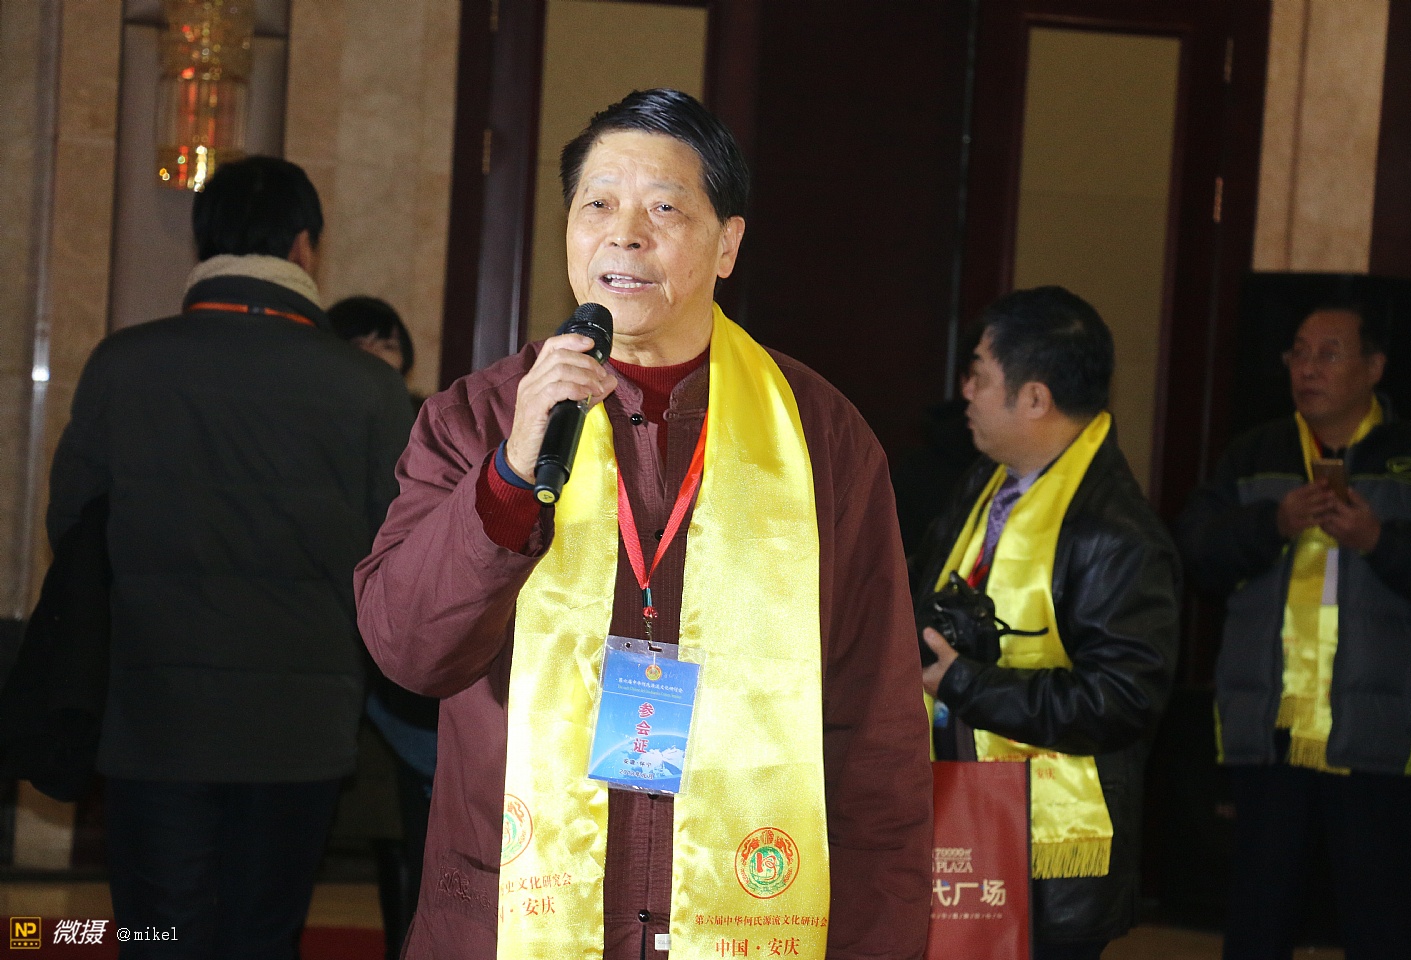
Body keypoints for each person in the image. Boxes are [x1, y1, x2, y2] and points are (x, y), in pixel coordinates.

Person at [354, 88, 932, 960]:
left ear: (727, 244)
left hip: (753, 913)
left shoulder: (820, 436)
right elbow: (409, 651)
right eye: (597, 204)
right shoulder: (478, 419)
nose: (623, 235)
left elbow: (875, 725)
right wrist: (509, 477)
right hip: (513, 915)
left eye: (664, 209)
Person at [46, 156, 415, 960]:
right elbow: (399, 558)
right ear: (305, 247)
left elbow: (70, 527)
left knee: (159, 933)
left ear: (202, 241)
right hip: (302, 727)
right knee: (263, 938)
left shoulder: (123, 364)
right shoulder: (369, 391)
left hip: (153, 719)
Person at [914, 286, 1179, 960]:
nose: (965, 391)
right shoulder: (985, 484)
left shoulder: (1117, 535)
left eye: (980, 375)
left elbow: (1121, 700)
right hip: (957, 813)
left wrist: (963, 683)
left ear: (1034, 398)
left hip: (1050, 859)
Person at [1176, 303, 1411, 960]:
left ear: (1374, 367)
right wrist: (1272, 525)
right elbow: (1196, 554)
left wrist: (1379, 540)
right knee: (1258, 920)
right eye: (1298, 352)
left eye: (1328, 353)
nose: (1307, 368)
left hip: (1379, 732)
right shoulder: (1254, 453)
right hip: (1270, 729)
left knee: (1381, 922)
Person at [328, 294, 436, 960]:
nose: (375, 359)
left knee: (420, 821)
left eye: (387, 344)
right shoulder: (315, 429)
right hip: (347, 656)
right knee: (386, 826)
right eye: (359, 345)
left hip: (409, 659)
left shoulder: (433, 425)